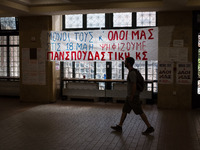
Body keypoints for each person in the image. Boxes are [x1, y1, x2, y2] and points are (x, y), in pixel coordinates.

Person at [111, 57, 154, 135]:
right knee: (125, 110)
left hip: (133, 96)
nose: (124, 63)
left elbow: (134, 85)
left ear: (128, 63)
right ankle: (120, 126)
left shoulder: (132, 73)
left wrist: (132, 95)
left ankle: (149, 127)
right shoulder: (132, 71)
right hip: (130, 96)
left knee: (140, 111)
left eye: (125, 62)